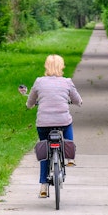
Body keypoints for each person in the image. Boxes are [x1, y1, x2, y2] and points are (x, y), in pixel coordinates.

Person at [22, 54, 82, 198]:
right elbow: (77, 100)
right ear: (62, 66)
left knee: (44, 148)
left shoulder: (39, 82)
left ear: (46, 66)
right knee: (68, 125)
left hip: (44, 123)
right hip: (62, 120)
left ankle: (43, 185)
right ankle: (70, 157)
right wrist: (77, 102)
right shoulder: (67, 82)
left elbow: (30, 101)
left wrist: (29, 105)